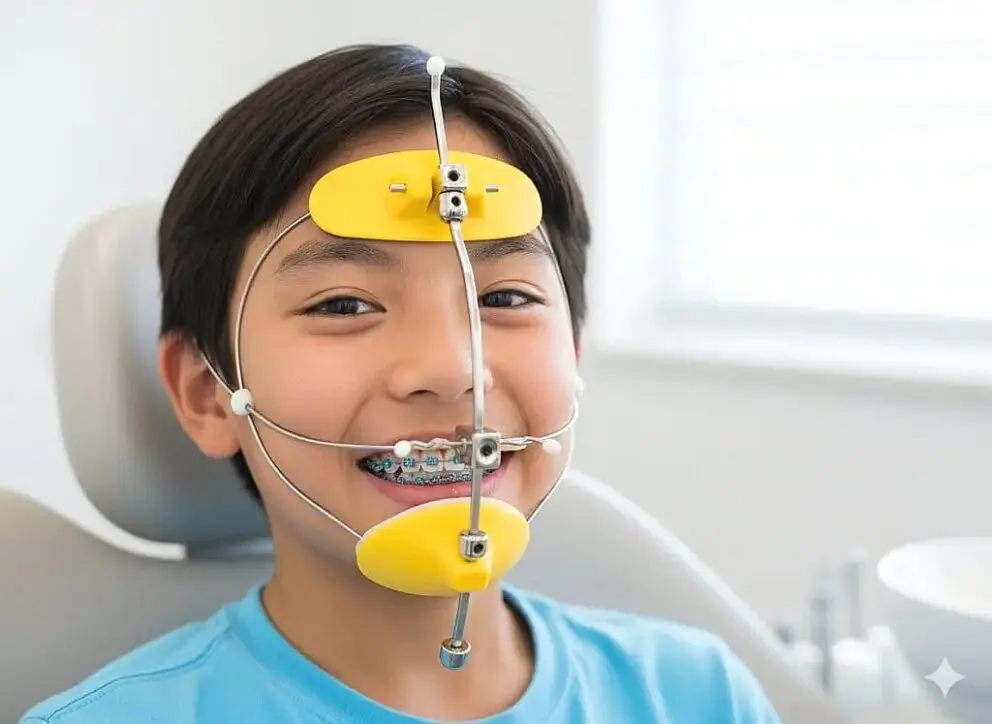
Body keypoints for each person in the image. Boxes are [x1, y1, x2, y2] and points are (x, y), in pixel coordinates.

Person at [21, 44, 781, 723]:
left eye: (505, 299)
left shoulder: (698, 694)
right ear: (207, 392)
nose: (454, 369)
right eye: (344, 304)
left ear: (574, 352)